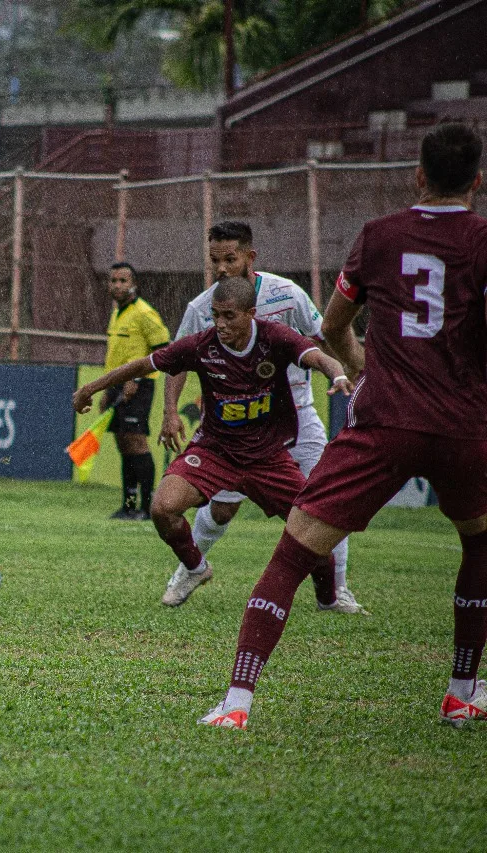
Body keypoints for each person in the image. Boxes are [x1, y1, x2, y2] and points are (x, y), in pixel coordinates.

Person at [200, 123, 487, 730]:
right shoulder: (483, 239)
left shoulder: (380, 237)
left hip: (383, 420)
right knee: (479, 545)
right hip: (465, 425)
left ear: (418, 175)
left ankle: (237, 704)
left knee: (291, 552)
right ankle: (462, 688)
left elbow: (332, 325)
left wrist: (364, 374)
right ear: (478, 183)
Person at [73, 276, 353, 611]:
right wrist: (91, 388)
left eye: (229, 316)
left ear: (251, 313)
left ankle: (328, 599)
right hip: (215, 451)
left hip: (268, 457)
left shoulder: (273, 337)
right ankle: (195, 567)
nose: (220, 323)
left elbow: (318, 356)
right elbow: (145, 364)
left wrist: (336, 374)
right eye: (216, 314)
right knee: (163, 508)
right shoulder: (201, 345)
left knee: (314, 530)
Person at [158, 222, 365, 614]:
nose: (221, 267)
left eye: (230, 258)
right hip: (237, 425)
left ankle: (337, 592)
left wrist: (347, 369)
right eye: (215, 259)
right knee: (220, 509)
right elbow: (176, 362)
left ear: (250, 257)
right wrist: (170, 411)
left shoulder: (287, 294)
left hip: (299, 415)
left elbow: (323, 333)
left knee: (326, 498)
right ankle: (188, 571)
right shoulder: (202, 309)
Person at [101, 262, 171, 520]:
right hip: (118, 385)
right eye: (114, 280)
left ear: (134, 284)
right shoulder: (118, 313)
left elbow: (162, 347)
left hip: (139, 385)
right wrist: (107, 389)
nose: (118, 285)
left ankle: (149, 506)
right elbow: (116, 356)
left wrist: (138, 378)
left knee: (137, 442)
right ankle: (129, 505)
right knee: (123, 443)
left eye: (123, 280)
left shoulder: (144, 313)